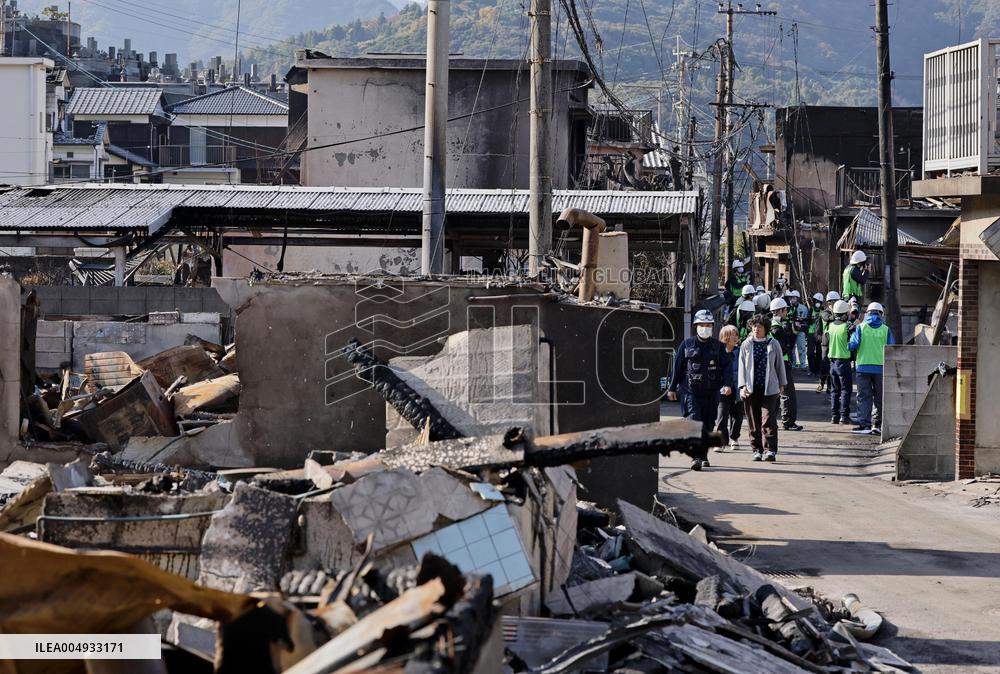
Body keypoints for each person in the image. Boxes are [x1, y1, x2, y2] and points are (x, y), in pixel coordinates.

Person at [668, 309, 733, 470]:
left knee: (708, 425)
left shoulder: (719, 347)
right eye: (702, 325)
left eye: (708, 325)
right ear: (696, 326)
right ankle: (696, 457)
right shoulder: (687, 344)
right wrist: (671, 388)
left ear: (712, 327)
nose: (705, 327)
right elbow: (677, 368)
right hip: (691, 393)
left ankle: (702, 455)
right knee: (694, 422)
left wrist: (727, 385)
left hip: (712, 394)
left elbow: (727, 368)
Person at [738, 314, 787, 462]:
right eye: (754, 326)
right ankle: (756, 450)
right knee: (753, 420)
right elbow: (741, 367)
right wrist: (742, 386)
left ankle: (770, 450)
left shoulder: (774, 344)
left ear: (765, 329)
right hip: (751, 388)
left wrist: (782, 384)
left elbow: (780, 366)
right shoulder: (746, 344)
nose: (756, 329)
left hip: (770, 388)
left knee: (768, 419)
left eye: (759, 326)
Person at [849, 302, 894, 435]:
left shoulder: (860, 327)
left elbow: (853, 345)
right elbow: (892, 348)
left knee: (863, 397)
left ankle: (864, 425)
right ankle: (877, 424)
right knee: (879, 397)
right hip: (880, 369)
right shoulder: (886, 329)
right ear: (881, 314)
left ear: (867, 313)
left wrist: (849, 341)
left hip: (863, 367)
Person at [769, 297, 803, 431]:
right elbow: (787, 346)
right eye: (785, 310)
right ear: (780, 311)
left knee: (775, 394)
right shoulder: (778, 329)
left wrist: (793, 332)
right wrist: (793, 333)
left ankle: (772, 421)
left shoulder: (771, 326)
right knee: (787, 394)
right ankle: (788, 421)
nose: (786, 313)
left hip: (774, 364)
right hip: (781, 364)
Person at [826, 299, 855, 424]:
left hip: (832, 362)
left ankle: (834, 416)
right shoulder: (847, 327)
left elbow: (825, 342)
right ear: (844, 314)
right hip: (844, 361)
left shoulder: (830, 326)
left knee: (834, 390)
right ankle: (844, 416)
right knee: (845, 390)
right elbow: (854, 341)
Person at [716, 324, 744, 450]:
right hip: (722, 389)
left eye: (736, 335)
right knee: (722, 416)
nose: (735, 337)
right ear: (725, 337)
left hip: (738, 389)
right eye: (732, 335)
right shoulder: (717, 353)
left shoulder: (741, 352)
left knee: (737, 416)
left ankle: (734, 437)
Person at [815, 290, 841, 393]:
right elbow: (828, 318)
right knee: (824, 365)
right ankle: (821, 383)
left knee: (832, 365)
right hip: (826, 343)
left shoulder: (839, 312)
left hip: (835, 342)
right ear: (829, 302)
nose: (835, 303)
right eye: (833, 301)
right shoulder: (825, 312)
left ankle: (830, 386)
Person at [786, 290, 809, 369]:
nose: (792, 299)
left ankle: (802, 364)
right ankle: (793, 364)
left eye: (794, 298)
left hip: (800, 331)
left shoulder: (803, 308)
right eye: (791, 298)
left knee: (801, 348)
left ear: (797, 298)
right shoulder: (788, 308)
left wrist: (802, 324)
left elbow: (807, 320)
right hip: (791, 331)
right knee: (791, 349)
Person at [807, 292, 825, 377]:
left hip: (819, 334)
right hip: (811, 333)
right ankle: (811, 369)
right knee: (810, 353)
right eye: (816, 301)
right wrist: (813, 319)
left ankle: (818, 369)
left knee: (819, 352)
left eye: (819, 301)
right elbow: (807, 320)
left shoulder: (823, 310)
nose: (817, 303)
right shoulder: (811, 310)